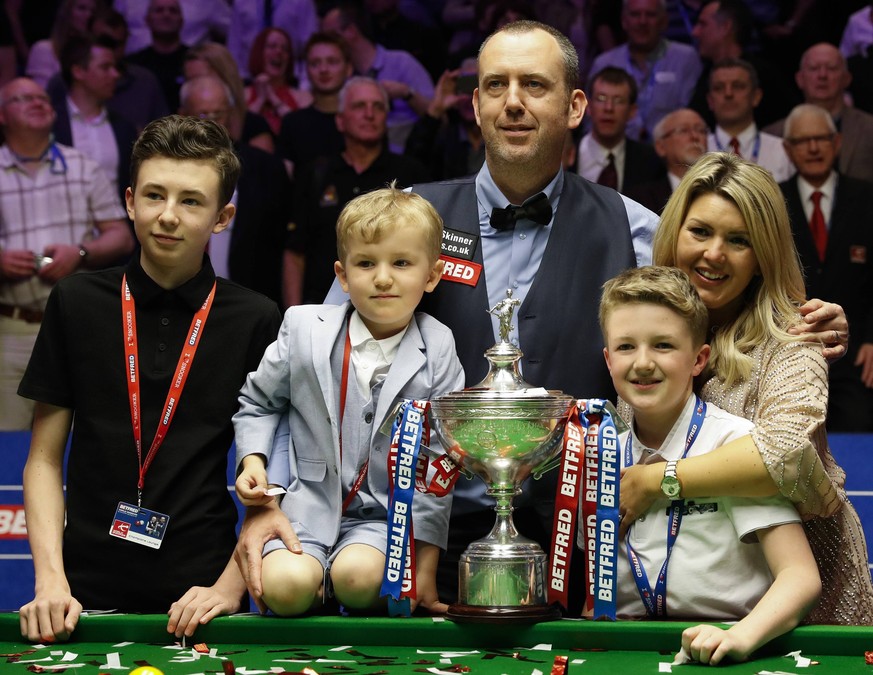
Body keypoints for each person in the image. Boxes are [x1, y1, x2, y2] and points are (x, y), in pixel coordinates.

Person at [234, 20, 847, 615]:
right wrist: (272, 494)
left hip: (585, 549)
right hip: (419, 548)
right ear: (473, 105)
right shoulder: (404, 223)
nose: (514, 103)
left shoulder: (635, 229)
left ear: (576, 105)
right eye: (496, 86)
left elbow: (714, 305)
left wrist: (797, 323)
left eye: (535, 85)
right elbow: (317, 370)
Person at [16, 115, 281, 642]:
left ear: (222, 216)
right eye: (154, 195)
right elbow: (44, 458)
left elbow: (283, 471)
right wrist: (50, 580)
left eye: (190, 201)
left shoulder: (257, 317)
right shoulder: (75, 301)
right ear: (129, 200)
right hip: (80, 594)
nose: (167, 216)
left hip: (204, 596)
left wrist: (230, 586)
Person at [619, 151, 873, 625]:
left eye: (739, 240)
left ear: (762, 257)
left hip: (805, 607)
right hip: (694, 601)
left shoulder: (794, 339)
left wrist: (656, 481)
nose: (714, 253)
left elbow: (785, 451)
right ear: (674, 234)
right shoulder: (643, 339)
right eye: (700, 232)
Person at [232, 184, 464, 616]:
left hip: (383, 523)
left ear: (432, 275)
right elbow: (259, 402)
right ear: (341, 274)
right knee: (284, 589)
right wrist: (253, 462)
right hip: (304, 510)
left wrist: (426, 569)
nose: (382, 277)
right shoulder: (302, 327)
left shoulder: (439, 345)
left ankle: (338, 583)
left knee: (359, 581)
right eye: (365, 263)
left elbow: (441, 463)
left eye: (400, 263)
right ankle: (313, 581)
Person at [599, 265, 820, 664]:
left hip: (727, 646)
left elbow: (801, 577)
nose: (643, 362)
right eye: (626, 347)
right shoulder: (598, 453)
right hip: (622, 649)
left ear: (699, 359)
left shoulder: (734, 446)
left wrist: (739, 637)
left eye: (663, 346)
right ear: (608, 359)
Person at [0, 77, 133, 431]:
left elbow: (121, 235)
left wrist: (81, 251)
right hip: (11, 328)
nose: (37, 102)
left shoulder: (83, 166)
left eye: (42, 97)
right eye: (22, 98)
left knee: (76, 443)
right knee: (5, 446)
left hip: (75, 328)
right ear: (2, 115)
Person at [284, 77, 429, 307]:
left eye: (378, 107)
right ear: (340, 121)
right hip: (321, 312)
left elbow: (424, 250)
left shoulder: (411, 173)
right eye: (359, 106)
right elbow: (295, 253)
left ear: (386, 119)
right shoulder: (315, 173)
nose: (369, 114)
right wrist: (292, 316)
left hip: (392, 310)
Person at [780, 104, 873, 432]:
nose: (814, 148)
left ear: (838, 143)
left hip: (858, 357)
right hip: (788, 354)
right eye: (803, 141)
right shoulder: (775, 202)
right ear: (787, 149)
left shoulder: (867, 198)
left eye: (821, 138)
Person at [179, 75, 291, 308]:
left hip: (246, 304)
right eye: (202, 116)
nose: (210, 124)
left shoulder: (266, 169)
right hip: (177, 300)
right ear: (182, 115)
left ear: (230, 115)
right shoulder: (165, 169)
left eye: (218, 114)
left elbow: (279, 247)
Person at [321, 1, 435, 154]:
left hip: (410, 152)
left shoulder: (401, 62)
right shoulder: (341, 76)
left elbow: (438, 115)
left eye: (330, 37)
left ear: (351, 31)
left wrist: (407, 93)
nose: (327, 46)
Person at [588, 0, 702, 141]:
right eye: (635, 14)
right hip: (617, 151)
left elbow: (692, 116)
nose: (642, 21)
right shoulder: (604, 63)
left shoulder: (686, 59)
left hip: (671, 153)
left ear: (664, 21)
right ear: (624, 21)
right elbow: (590, 122)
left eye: (651, 15)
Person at [764, 43, 873, 185]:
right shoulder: (773, 135)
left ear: (847, 79)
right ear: (799, 79)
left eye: (832, 68)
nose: (822, 75)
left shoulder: (869, 129)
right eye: (814, 68)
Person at [52, 34, 139, 205]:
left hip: (116, 226)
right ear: (78, 71)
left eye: (115, 67)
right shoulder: (51, 124)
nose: (115, 74)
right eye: (105, 67)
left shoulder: (123, 127)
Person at [576, 66, 664, 195]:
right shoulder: (564, 155)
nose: (609, 108)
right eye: (601, 99)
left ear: (632, 111)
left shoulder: (650, 161)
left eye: (618, 101)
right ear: (588, 107)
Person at [277, 32, 353, 178]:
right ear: (307, 70)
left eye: (332, 62)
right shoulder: (293, 123)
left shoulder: (361, 120)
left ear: (348, 69)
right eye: (315, 63)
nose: (323, 70)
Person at [704, 58, 793, 182]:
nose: (728, 93)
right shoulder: (699, 152)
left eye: (738, 86)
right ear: (710, 100)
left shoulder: (781, 151)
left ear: (756, 96)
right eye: (719, 88)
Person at [183, 42, 274, 154]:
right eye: (189, 80)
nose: (194, 86)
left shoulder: (254, 127)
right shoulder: (179, 126)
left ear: (224, 77)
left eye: (199, 78)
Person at [624, 108, 707, 214]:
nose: (695, 136)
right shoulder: (639, 201)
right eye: (683, 130)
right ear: (660, 147)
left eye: (701, 130)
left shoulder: (721, 190)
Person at [244, 27, 313, 136]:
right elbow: (239, 130)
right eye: (272, 46)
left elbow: (302, 131)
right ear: (259, 52)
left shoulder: (302, 97)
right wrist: (260, 99)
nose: (279, 52)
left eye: (285, 49)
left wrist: (272, 97)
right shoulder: (243, 94)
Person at [127, 0, 189, 113]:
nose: (166, 15)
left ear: (181, 21)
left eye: (173, 11)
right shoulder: (134, 65)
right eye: (159, 10)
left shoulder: (193, 60)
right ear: (147, 20)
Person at [24, 0, 96, 88]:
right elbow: (42, 93)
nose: (88, 15)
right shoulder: (43, 50)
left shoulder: (94, 52)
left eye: (92, 11)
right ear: (66, 12)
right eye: (81, 8)